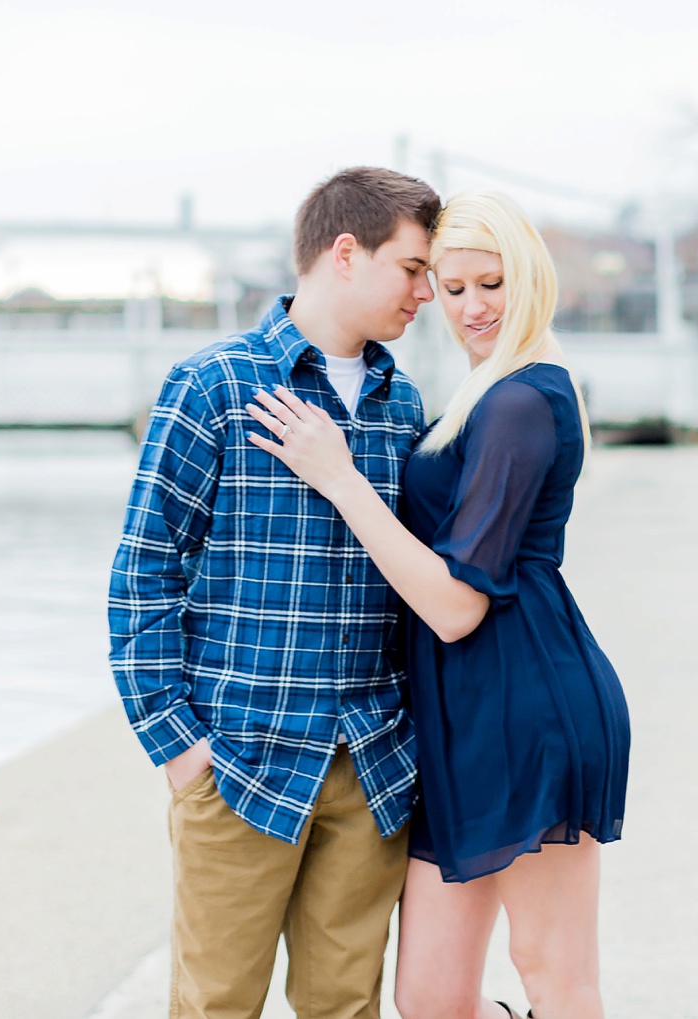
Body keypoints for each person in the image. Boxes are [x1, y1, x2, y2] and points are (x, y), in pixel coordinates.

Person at [247, 190, 630, 1019]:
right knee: (429, 998)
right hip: (457, 719)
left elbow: (457, 606)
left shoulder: (524, 398)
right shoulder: (479, 395)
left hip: (527, 707)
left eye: (490, 283)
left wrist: (340, 477)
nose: (471, 307)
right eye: (450, 289)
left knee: (555, 978)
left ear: (528, 278)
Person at [108, 166, 440, 1019]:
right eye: (411, 267)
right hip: (239, 760)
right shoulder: (215, 386)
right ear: (344, 253)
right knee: (216, 1004)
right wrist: (180, 747)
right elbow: (143, 574)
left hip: (369, 765)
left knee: (345, 1006)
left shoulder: (404, 407)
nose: (428, 293)